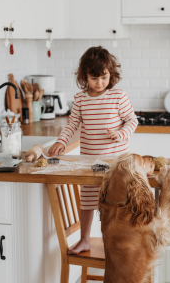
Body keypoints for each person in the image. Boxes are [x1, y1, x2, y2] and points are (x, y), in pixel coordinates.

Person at [48, 46, 138, 254]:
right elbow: (72, 124)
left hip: (116, 161)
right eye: (94, 78)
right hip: (89, 161)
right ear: (84, 75)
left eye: (104, 77)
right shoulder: (80, 99)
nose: (99, 83)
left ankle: (116, 241)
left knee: (116, 202)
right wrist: (62, 141)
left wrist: (121, 134)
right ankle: (85, 239)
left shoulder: (118, 96)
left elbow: (131, 120)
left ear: (111, 74)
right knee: (88, 200)